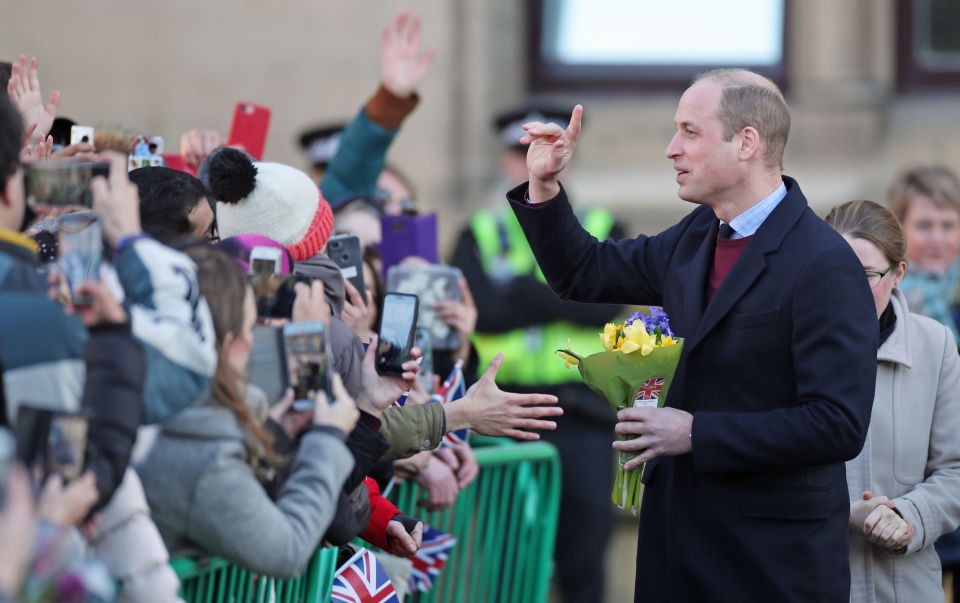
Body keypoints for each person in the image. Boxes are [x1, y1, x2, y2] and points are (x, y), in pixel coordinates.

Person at [508, 68, 877, 601]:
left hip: (771, 565)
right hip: (675, 555)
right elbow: (583, 272)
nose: (671, 149)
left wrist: (696, 433)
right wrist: (544, 186)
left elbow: (837, 424)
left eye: (689, 131)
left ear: (746, 141)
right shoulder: (697, 233)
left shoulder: (823, 263)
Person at [450, 101, 624, 603]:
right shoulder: (477, 233)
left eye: (544, 148)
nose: (526, 161)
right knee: (507, 560)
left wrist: (525, 296)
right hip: (503, 415)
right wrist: (564, 296)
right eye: (518, 151)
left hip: (582, 415)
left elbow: (605, 307)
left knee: (584, 559)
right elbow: (477, 312)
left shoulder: (603, 223)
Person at [136, 246, 359, 578]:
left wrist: (277, 433)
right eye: (247, 331)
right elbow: (287, 551)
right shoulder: (202, 459)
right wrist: (327, 439)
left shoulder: (163, 406)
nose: (252, 342)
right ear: (223, 343)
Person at [823, 200, 960, 602]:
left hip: (908, 589)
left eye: (866, 275)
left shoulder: (935, 345)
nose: (848, 288)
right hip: (817, 583)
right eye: (835, 272)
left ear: (899, 272)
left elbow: (954, 469)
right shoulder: (786, 346)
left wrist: (909, 517)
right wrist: (846, 515)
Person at [887, 165, 960, 345]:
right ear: (899, 228)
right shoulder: (883, 299)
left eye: (948, 225)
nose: (937, 239)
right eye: (924, 226)